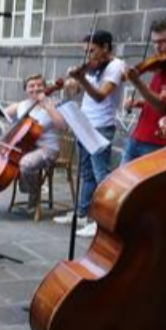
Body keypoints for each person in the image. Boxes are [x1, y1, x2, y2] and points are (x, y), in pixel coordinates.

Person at [55, 30, 124, 237]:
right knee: (85, 173)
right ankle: (82, 213)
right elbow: (78, 91)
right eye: (85, 51)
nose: (88, 56)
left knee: (101, 175)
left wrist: (81, 79)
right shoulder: (94, 67)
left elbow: (100, 96)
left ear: (106, 48)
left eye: (92, 51)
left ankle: (100, 221)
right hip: (84, 123)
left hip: (101, 126)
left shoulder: (115, 66)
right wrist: (71, 85)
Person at [0, 74, 66, 212]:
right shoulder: (22, 105)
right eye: (31, 86)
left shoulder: (53, 104)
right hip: (25, 147)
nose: (35, 88)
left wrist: (48, 107)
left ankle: (34, 194)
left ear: (45, 87)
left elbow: (63, 127)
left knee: (25, 163)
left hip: (47, 148)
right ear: (26, 89)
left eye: (39, 85)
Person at [121, 17, 166, 163]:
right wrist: (138, 103)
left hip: (156, 141)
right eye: (154, 42)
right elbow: (158, 98)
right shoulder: (163, 63)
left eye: (162, 41)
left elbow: (162, 106)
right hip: (138, 135)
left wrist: (137, 82)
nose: (157, 47)